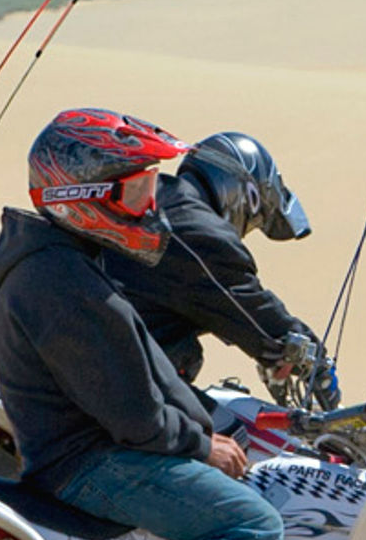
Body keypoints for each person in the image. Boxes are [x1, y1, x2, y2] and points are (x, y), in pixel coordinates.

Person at [0, 108, 283, 540]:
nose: (151, 203)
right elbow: (135, 416)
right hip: (92, 464)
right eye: (136, 188)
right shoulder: (60, 281)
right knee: (252, 528)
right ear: (84, 195)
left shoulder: (69, 260)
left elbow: (152, 375)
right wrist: (204, 447)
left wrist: (217, 424)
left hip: (92, 452)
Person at [112, 131, 333, 403]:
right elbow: (255, 313)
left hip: (94, 375)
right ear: (244, 194)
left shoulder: (156, 201)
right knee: (242, 438)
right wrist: (320, 365)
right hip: (127, 394)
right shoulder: (198, 233)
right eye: (253, 221)